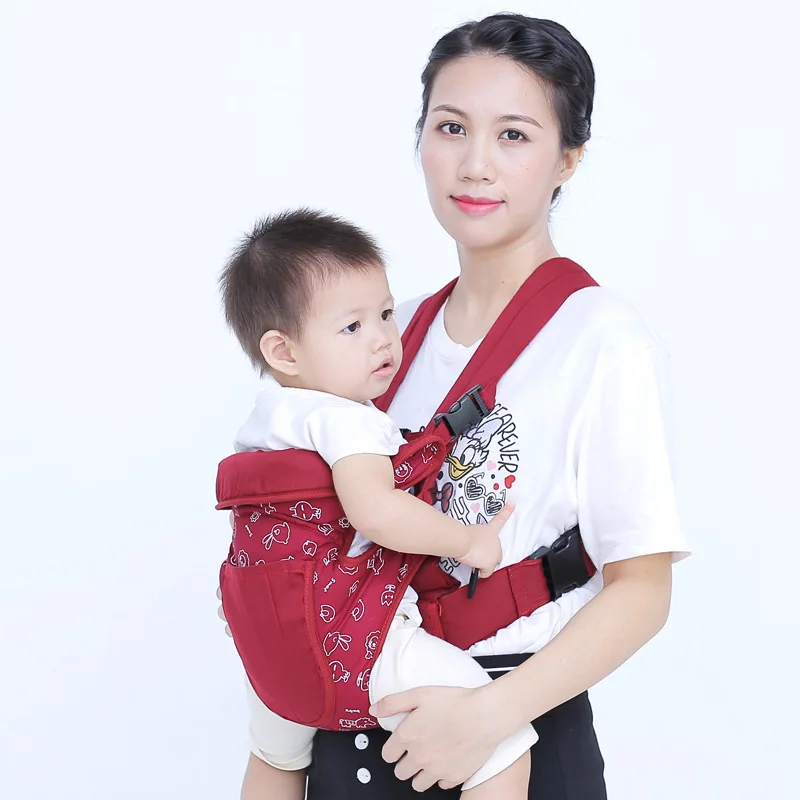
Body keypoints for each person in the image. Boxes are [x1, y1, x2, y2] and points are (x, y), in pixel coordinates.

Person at [223, 13, 690, 799]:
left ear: (567, 159)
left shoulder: (603, 339)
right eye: (451, 128)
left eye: (513, 136)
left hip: (511, 733)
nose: (475, 164)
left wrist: (488, 717)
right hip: (349, 723)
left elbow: (643, 590)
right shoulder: (378, 336)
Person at [218, 207, 536, 798]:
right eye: (352, 327)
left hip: (270, 644)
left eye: (386, 314)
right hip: (352, 640)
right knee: (501, 739)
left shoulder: (264, 422)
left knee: (274, 757)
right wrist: (469, 541)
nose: (383, 338)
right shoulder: (348, 421)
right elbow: (377, 512)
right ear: (283, 351)